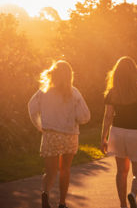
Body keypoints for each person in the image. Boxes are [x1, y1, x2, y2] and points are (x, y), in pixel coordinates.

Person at [28, 60, 90, 208]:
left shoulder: (44, 91)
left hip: (51, 135)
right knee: (65, 169)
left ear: (53, 74)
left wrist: (39, 125)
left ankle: (45, 193)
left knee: (50, 171)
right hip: (69, 135)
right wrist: (74, 117)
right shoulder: (74, 93)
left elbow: (31, 108)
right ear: (70, 76)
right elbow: (85, 116)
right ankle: (62, 203)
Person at [100, 56, 137, 208]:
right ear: (134, 72)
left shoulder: (113, 92)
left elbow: (108, 116)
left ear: (116, 74)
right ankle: (133, 194)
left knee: (121, 172)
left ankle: (123, 204)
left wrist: (103, 137)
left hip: (118, 133)